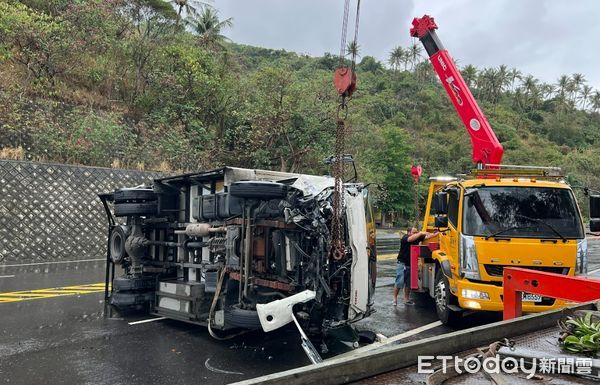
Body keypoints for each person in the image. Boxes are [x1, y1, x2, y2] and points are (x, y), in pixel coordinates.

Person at [393, 227, 438, 306]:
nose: (416, 233)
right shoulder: (405, 238)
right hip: (402, 263)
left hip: (410, 264)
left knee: (408, 283)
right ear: (408, 232)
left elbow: (429, 236)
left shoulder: (417, 237)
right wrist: (420, 233)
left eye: (416, 232)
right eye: (414, 232)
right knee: (399, 282)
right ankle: (394, 299)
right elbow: (410, 239)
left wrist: (437, 233)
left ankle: (406, 299)